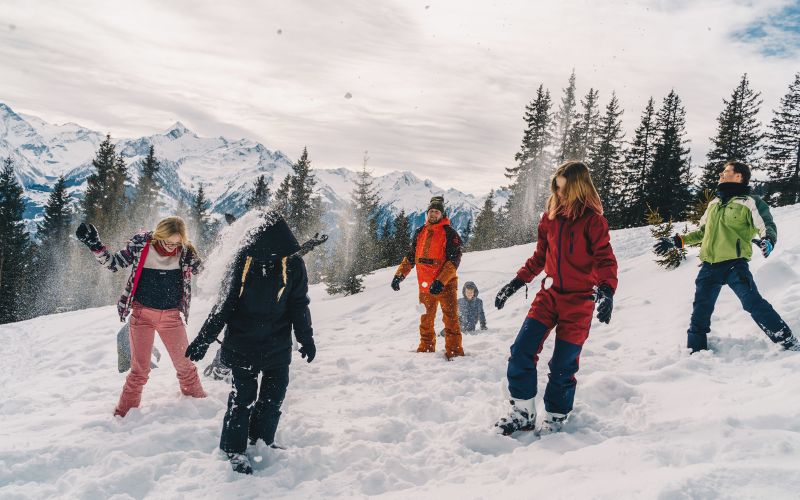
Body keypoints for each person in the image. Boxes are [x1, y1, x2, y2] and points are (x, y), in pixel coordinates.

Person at [185, 212, 315, 475]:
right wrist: (203, 340)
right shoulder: (242, 263)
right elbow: (224, 306)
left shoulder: (293, 265)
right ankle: (234, 448)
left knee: (273, 396)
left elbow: (299, 305)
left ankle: (261, 440)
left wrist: (306, 339)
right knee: (242, 398)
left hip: (277, 343)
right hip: (242, 342)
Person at [494, 161, 618, 436]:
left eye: (563, 190)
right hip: (548, 296)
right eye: (556, 189)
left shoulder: (593, 221)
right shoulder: (548, 218)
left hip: (579, 302)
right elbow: (540, 257)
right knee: (521, 351)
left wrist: (607, 291)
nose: (559, 195)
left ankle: (555, 416)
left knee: (563, 365)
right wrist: (517, 282)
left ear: (577, 188)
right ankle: (524, 412)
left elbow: (605, 259)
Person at [654, 160, 799, 353]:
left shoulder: (750, 202)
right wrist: (677, 240)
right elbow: (703, 232)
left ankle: (787, 340)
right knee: (700, 311)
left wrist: (768, 240)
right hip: (709, 267)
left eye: (726, 171)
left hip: (734, 265)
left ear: (739, 176)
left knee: (752, 302)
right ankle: (695, 352)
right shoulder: (714, 204)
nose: (721, 174)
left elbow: (766, 225)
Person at [75, 216, 206, 417]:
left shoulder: (186, 251)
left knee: (185, 366)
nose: (171, 247)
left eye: (176, 243)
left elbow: (205, 271)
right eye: (167, 242)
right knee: (139, 371)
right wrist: (96, 246)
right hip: (142, 315)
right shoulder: (142, 244)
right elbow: (114, 263)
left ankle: (199, 407)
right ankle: (123, 416)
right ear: (158, 236)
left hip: (171, 317)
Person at [202, 232, 328, 382]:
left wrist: (311, 243)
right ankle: (220, 367)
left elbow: (293, 254)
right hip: (241, 312)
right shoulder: (242, 258)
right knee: (236, 338)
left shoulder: (278, 256)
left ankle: (224, 367)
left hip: (263, 320)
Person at [391, 196, 465, 359]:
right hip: (425, 285)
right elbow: (411, 256)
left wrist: (441, 280)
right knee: (426, 319)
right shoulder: (420, 232)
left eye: (437, 212)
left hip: (445, 285)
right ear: (427, 213)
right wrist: (399, 275)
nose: (433, 214)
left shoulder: (450, 233)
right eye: (431, 211)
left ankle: (454, 351)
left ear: (442, 214)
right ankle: (426, 348)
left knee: (451, 319)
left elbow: (454, 261)